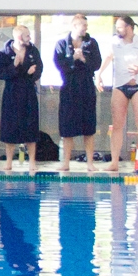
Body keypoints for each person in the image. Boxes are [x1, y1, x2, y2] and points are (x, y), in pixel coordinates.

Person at [98, 16, 138, 173]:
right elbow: (108, 57)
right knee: (117, 125)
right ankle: (114, 162)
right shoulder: (114, 42)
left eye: (120, 27)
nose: (117, 30)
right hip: (119, 86)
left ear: (130, 27)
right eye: (116, 27)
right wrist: (99, 74)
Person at [53, 14, 103, 172]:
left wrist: (83, 60)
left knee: (88, 127)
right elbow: (59, 65)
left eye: (86, 26)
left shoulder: (91, 43)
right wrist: (73, 59)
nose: (86, 28)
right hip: (69, 87)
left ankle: (90, 163)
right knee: (67, 128)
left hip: (87, 87)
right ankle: (66, 163)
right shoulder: (62, 44)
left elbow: (97, 64)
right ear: (74, 26)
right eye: (83, 26)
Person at [0, 24, 42, 172]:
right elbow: (1, 74)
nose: (30, 38)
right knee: (10, 127)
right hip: (12, 93)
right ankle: (9, 161)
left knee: (30, 127)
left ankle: (31, 162)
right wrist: (14, 66)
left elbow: (39, 68)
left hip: (28, 92)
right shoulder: (4, 53)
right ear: (20, 37)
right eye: (27, 36)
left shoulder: (33, 51)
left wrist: (31, 74)